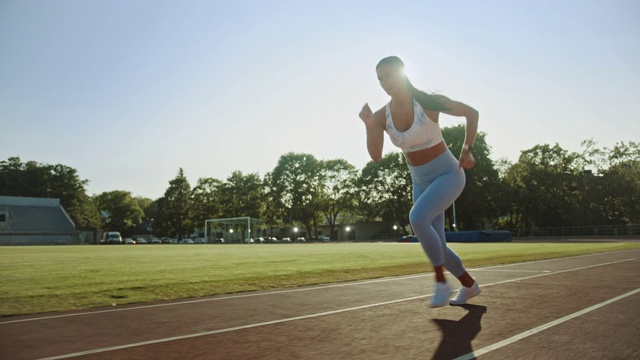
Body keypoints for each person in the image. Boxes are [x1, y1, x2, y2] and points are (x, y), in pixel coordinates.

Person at [358, 56, 481, 307]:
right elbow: (376, 156)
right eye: (380, 78)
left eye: (389, 75)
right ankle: (469, 285)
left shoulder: (427, 103)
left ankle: (440, 283)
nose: (384, 82)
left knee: (417, 218)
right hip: (420, 182)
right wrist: (370, 126)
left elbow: (471, 113)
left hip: (448, 174)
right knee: (437, 245)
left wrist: (467, 149)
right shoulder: (382, 116)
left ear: (402, 74)